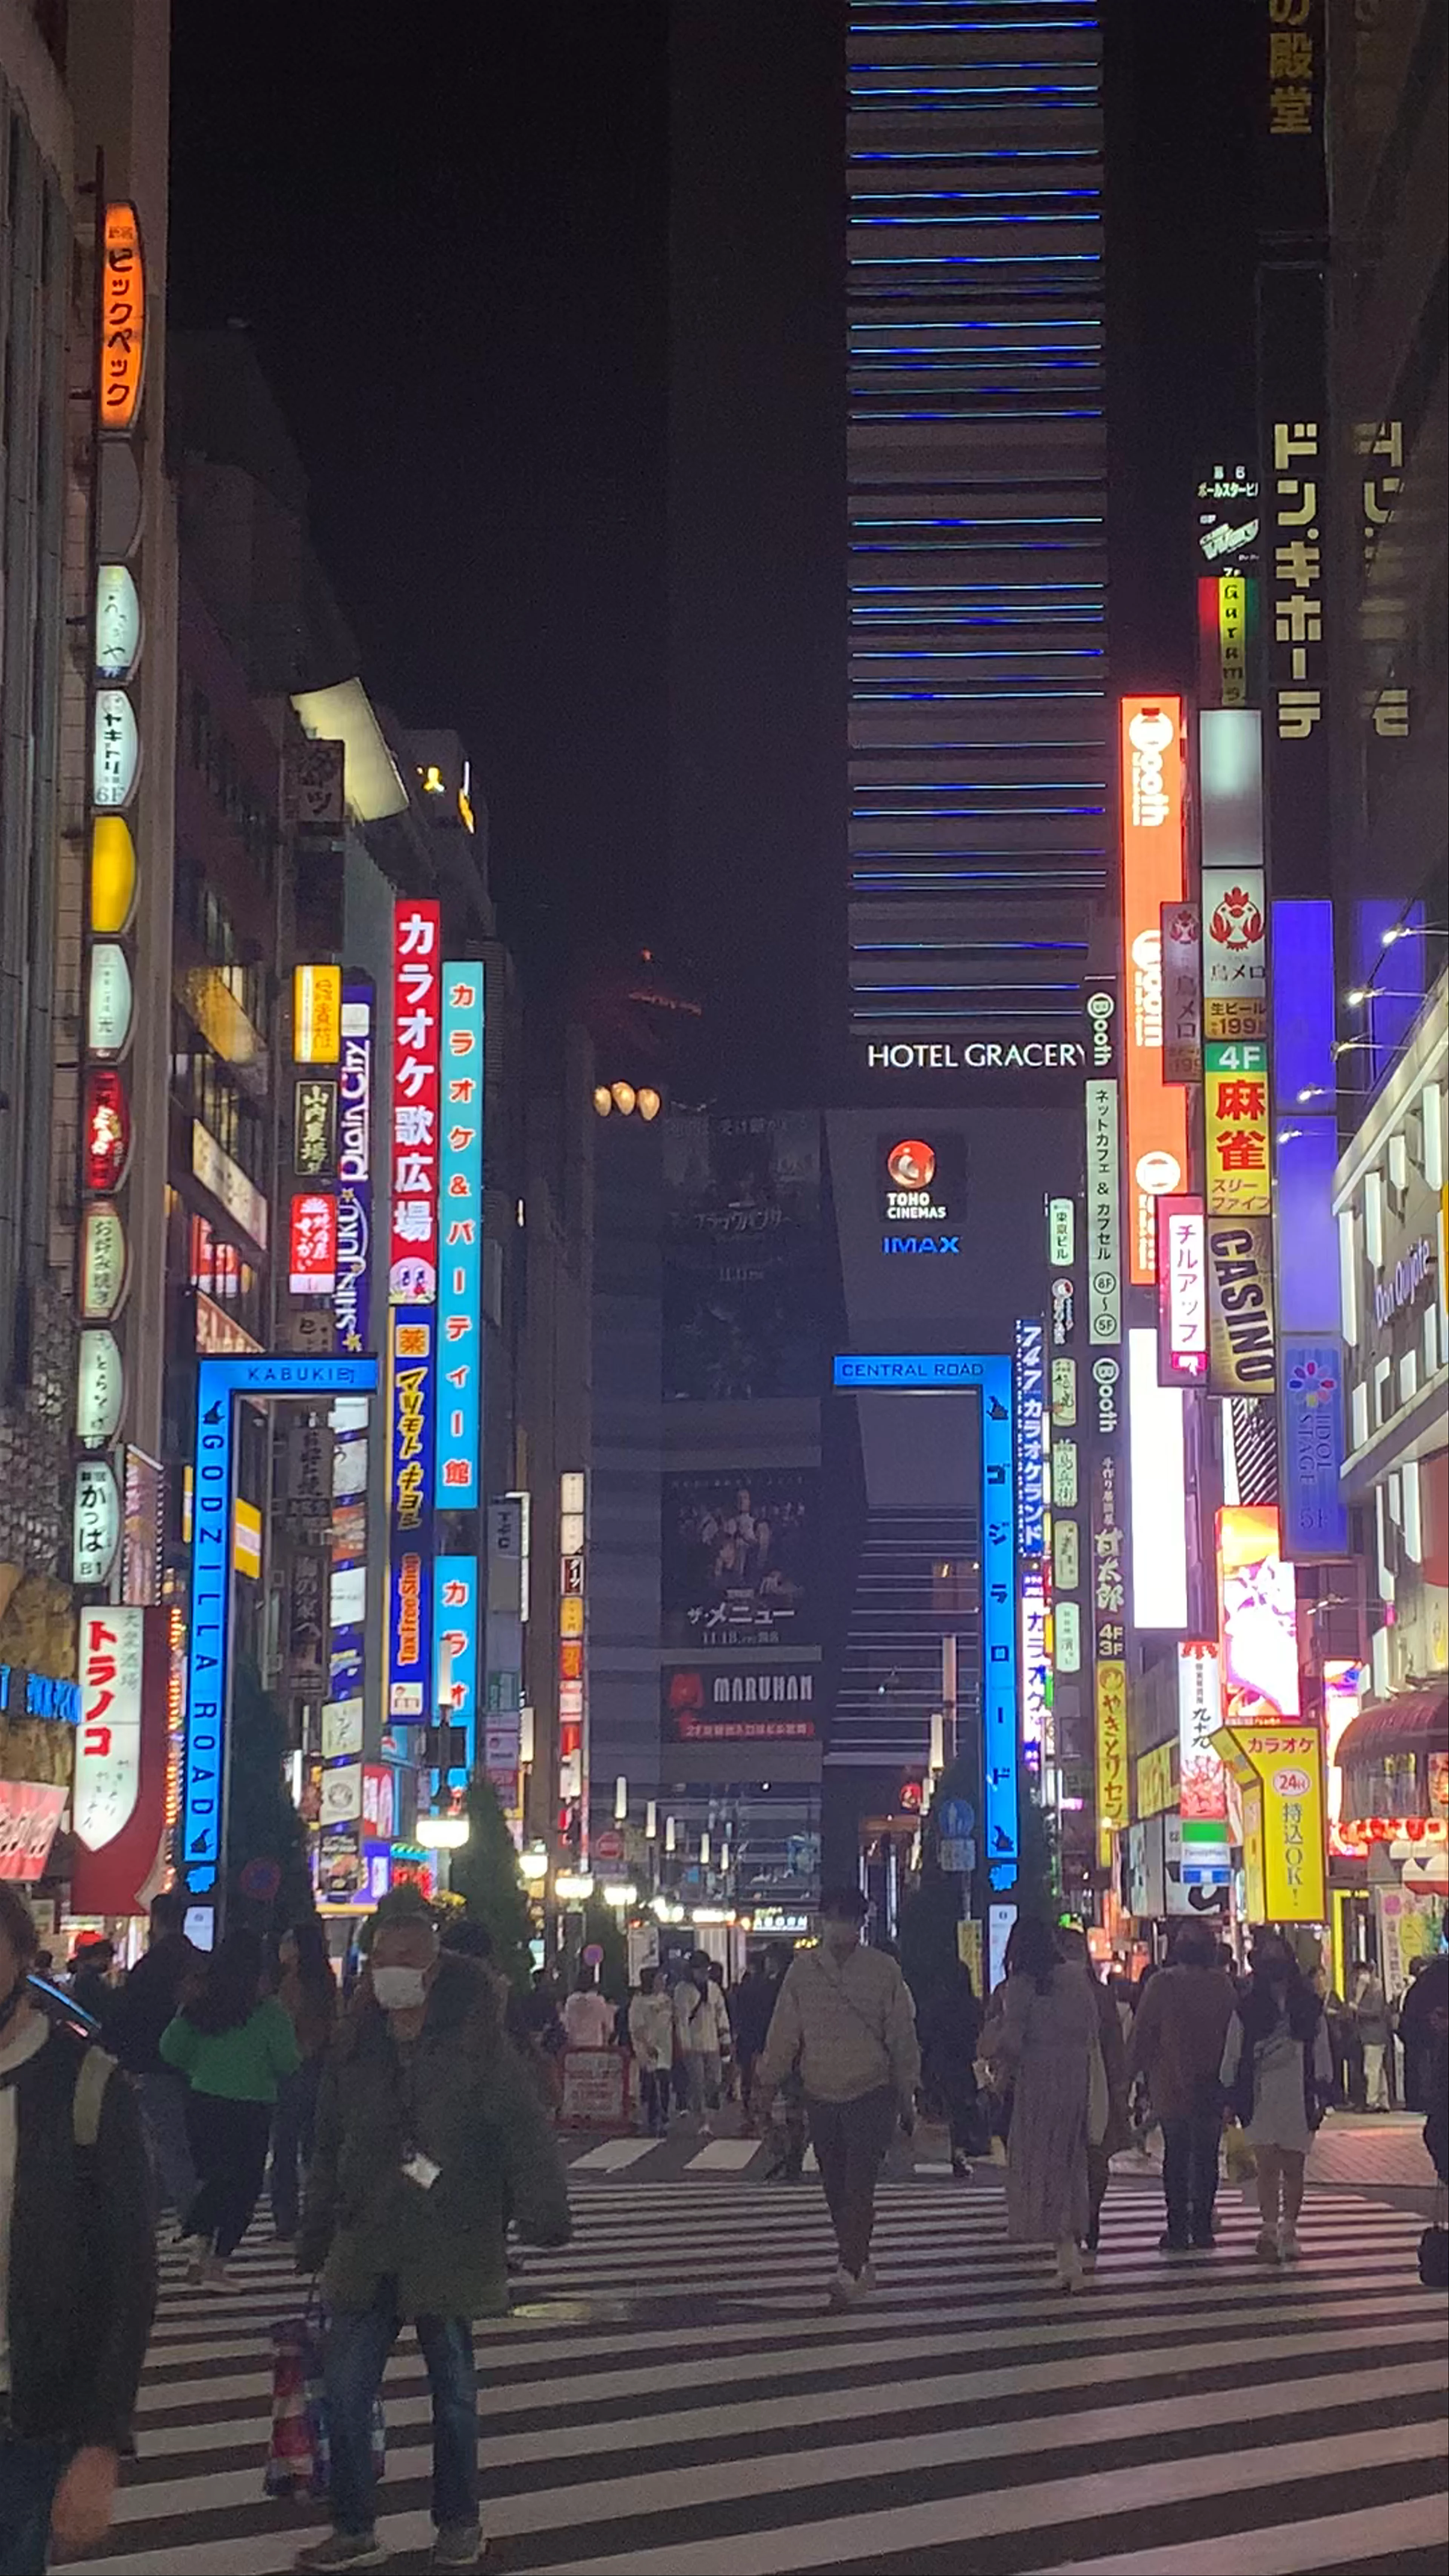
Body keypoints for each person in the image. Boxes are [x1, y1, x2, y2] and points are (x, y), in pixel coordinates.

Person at [294, 1892, 570, 2572]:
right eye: (382, 1960)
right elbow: (327, 2143)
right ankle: (355, 2525)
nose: (391, 1972)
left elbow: (523, 2129)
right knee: (347, 2388)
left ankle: (458, 2522)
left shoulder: (477, 2044)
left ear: (434, 1970)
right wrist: (315, 2225)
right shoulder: (355, 2043)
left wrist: (543, 2209)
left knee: (454, 2396)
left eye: (408, 1960)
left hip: (451, 2236)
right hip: (367, 2238)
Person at [0, 1882, 155, 2573]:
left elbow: (129, 2276)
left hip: (23, 2411)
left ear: (24, 1960)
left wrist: (99, 2440)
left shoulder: (87, 2085)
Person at [756, 1886, 920, 2308]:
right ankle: (858, 2259)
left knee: (857, 2183)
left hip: (869, 2091)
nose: (840, 1922)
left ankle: (850, 2266)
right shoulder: (805, 1971)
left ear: (860, 1921)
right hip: (823, 2091)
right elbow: (784, 2033)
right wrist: (768, 2081)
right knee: (836, 2184)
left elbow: (902, 2036)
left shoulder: (883, 1970)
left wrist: (906, 2092)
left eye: (846, 1915)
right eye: (835, 1914)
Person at [160, 1926, 300, 2290]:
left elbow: (170, 2049)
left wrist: (200, 2065)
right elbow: (288, 2061)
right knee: (245, 2186)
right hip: (252, 2106)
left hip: (204, 2100)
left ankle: (198, 2240)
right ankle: (217, 2262)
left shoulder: (200, 2005)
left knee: (216, 2176)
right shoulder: (269, 2011)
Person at [984, 1916, 1098, 2292]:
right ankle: (1071, 2249)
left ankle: (1065, 2251)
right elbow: (1091, 2027)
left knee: (1041, 2163)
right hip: (1075, 2076)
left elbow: (1013, 2042)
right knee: (1070, 2161)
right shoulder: (1077, 1978)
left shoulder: (1021, 1986)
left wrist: (994, 2045)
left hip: (1038, 2080)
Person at [1126, 1919, 1237, 2255]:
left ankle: (1177, 2228)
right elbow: (1235, 2037)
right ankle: (1201, 2226)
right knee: (1206, 2157)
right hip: (1212, 2085)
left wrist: (1126, 2079)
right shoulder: (1223, 1985)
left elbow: (1142, 2034)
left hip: (1171, 2085)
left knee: (1176, 2157)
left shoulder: (1162, 1983)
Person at [1221, 1930, 1333, 2264]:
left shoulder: (1307, 2004)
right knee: (1268, 2164)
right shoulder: (1248, 2006)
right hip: (1261, 2092)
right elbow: (1234, 2048)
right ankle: (1270, 2226)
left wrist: (1324, 2087)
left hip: (1299, 2090)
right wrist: (1229, 2090)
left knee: (1295, 2165)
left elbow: (1321, 2046)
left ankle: (1289, 2228)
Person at [105, 1889, 202, 2231]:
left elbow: (130, 2016)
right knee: (180, 2144)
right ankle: (165, 2211)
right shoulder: (198, 1961)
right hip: (198, 2066)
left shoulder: (151, 1966)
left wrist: (120, 2055)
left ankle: (190, 2219)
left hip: (154, 2063)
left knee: (167, 2144)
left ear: (156, 1920)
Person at [1058, 1926, 1130, 2255]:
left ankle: (1088, 2214)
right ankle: (1078, 2218)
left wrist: (1119, 2084)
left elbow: (1114, 2044)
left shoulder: (1099, 1996)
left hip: (1095, 2084)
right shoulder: (1050, 1993)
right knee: (1078, 2157)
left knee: (1094, 2155)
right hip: (1069, 2085)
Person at [271, 1922, 339, 2241]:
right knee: (316, 2149)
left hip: (293, 2069)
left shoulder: (292, 1983)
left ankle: (287, 2221)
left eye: (287, 1940)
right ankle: (320, 2215)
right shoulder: (326, 1981)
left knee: (285, 2150)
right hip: (322, 2068)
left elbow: (286, 2025)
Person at [919, 1959, 983, 2177]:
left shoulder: (935, 2005)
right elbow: (978, 2034)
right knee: (961, 2110)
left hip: (939, 2063)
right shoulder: (972, 2006)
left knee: (943, 2110)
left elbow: (926, 2035)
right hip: (964, 2065)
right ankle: (959, 2153)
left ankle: (941, 2153)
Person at [731, 1948, 786, 2130]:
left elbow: (739, 2012)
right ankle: (762, 2110)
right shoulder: (776, 1986)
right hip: (766, 2037)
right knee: (765, 2076)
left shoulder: (747, 1987)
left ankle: (751, 2111)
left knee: (750, 2076)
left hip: (750, 2038)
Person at [673, 1952, 724, 2133]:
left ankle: (707, 2114)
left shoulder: (713, 1989)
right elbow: (682, 2019)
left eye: (705, 1969)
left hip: (712, 2043)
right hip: (693, 2045)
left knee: (715, 2080)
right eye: (700, 1969)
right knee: (698, 2083)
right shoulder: (683, 1990)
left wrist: (725, 2038)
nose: (703, 1972)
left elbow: (721, 2014)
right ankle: (703, 2120)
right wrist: (685, 2044)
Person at [1397, 1952, 1448, 2117]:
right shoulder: (1431, 1981)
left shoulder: (1421, 1985)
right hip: (1423, 2035)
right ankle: (1420, 2099)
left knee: (1417, 2065)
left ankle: (1417, 2100)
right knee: (1424, 2065)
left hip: (1416, 2034)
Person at [628, 1965, 675, 2135]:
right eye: (659, 1979)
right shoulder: (639, 2002)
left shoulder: (666, 2000)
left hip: (666, 2046)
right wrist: (647, 2046)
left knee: (664, 2082)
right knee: (654, 2083)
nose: (662, 1982)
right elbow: (637, 2028)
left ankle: (664, 2117)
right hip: (649, 2049)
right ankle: (654, 2118)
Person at [1353, 1962, 1392, 2110]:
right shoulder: (1370, 1990)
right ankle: (1383, 2100)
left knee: (1371, 2069)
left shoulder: (1376, 1990)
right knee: (1378, 2069)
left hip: (1374, 2035)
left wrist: (1358, 2009)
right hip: (1372, 2035)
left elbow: (1375, 2012)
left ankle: (1372, 2101)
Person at [68, 1937, 117, 2028]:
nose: (109, 1963)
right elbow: (100, 2005)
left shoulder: (84, 1975)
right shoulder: (90, 1978)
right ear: (98, 1957)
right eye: (107, 1958)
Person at [562, 1975, 616, 2050]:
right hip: (596, 2048)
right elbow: (609, 2028)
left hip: (574, 2050)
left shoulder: (570, 2003)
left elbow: (566, 2027)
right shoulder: (599, 2002)